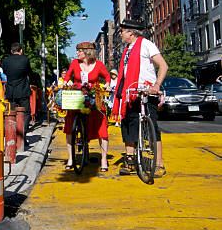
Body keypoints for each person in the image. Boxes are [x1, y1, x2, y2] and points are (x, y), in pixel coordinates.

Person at [112, 19, 168, 178]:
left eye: (122, 31)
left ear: (131, 32)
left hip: (146, 92)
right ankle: (130, 161)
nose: (120, 34)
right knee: (129, 126)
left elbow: (163, 65)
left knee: (153, 127)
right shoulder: (126, 49)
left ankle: (159, 164)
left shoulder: (147, 45)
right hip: (130, 93)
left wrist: (157, 85)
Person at [63, 42, 111, 172]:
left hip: (95, 96)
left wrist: (107, 85)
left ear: (87, 52)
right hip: (78, 96)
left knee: (101, 124)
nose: (77, 53)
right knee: (69, 124)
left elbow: (107, 77)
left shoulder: (99, 64)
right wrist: (65, 83)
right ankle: (70, 158)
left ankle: (103, 159)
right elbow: (67, 76)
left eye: (79, 51)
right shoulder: (74, 63)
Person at [2, 43, 34, 141]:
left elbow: (5, 72)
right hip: (23, 90)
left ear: (11, 51)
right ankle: (22, 134)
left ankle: (13, 135)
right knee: (27, 112)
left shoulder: (6, 61)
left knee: (12, 114)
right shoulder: (25, 60)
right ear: (21, 50)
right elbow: (29, 73)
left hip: (11, 91)